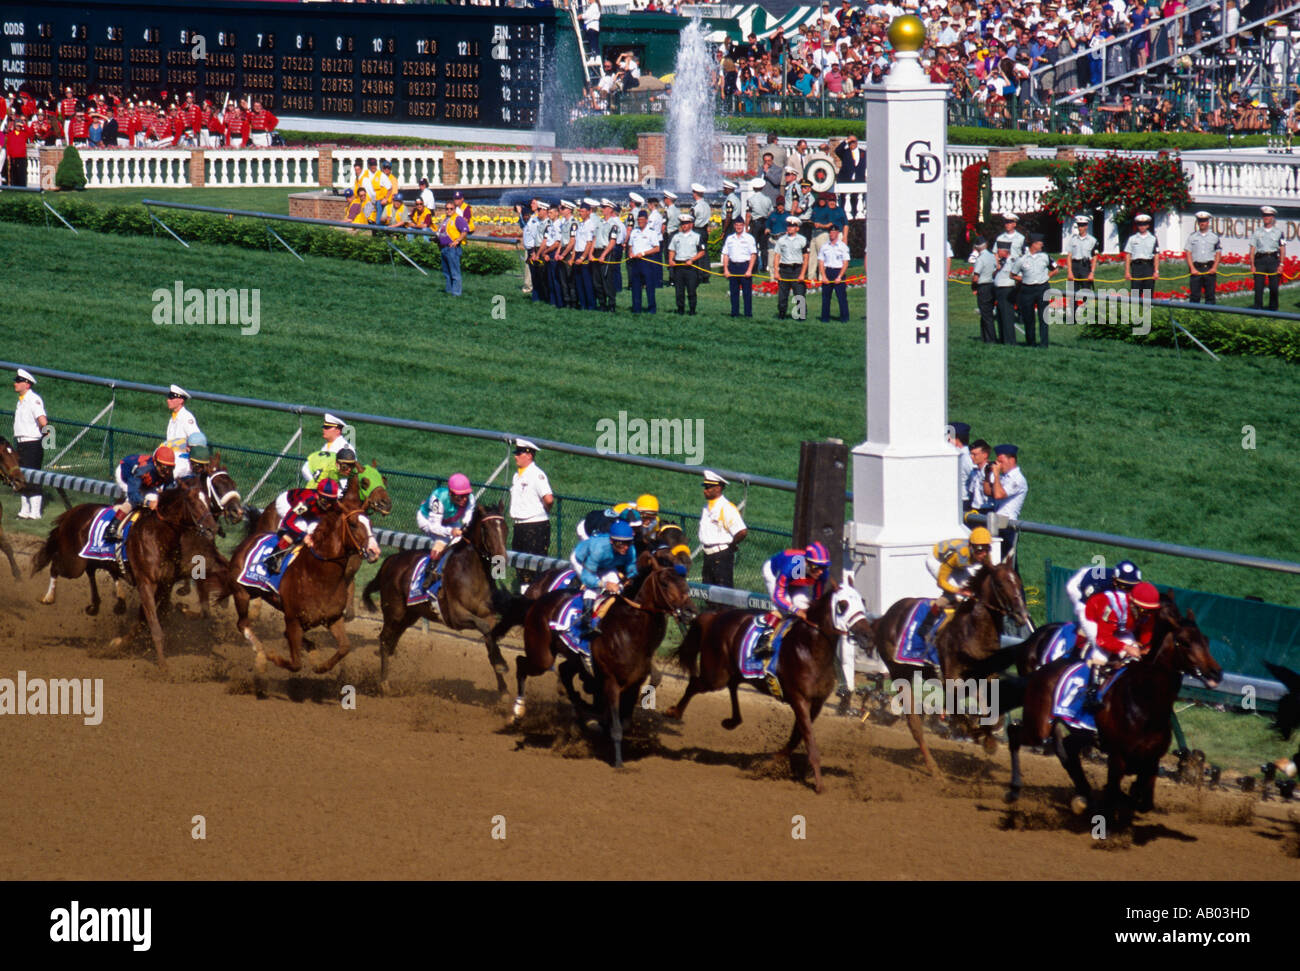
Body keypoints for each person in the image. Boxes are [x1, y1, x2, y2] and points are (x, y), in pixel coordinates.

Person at [1078, 579, 1161, 711]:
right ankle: (1091, 695)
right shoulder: (1113, 607)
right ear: (1133, 604)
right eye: (1144, 610)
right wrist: (1126, 647)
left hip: (1121, 625)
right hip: (1094, 616)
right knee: (1101, 655)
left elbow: (1146, 635)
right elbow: (1103, 638)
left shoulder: (1147, 612)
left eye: (1150, 611)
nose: (1147, 614)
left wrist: (1145, 648)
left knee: (1135, 657)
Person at [916, 527, 994, 644]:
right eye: (979, 549)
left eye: (986, 548)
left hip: (958, 565)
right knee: (951, 594)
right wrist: (958, 590)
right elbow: (941, 582)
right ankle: (925, 627)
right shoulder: (959, 556)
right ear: (970, 547)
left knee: (973, 590)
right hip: (938, 561)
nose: (983, 554)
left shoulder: (985, 555)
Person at [570, 518, 638, 633]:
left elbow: (631, 568)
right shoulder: (599, 550)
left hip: (606, 563)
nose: (626, 547)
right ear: (612, 541)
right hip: (582, 560)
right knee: (594, 587)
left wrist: (630, 578)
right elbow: (587, 577)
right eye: (621, 543)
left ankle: (603, 617)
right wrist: (604, 584)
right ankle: (586, 619)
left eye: (628, 542)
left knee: (617, 585)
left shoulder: (630, 549)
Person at [265, 479, 343, 574]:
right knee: (301, 525)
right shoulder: (307, 501)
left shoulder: (334, 505)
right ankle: (273, 557)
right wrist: (303, 535)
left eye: (332, 500)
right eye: (325, 500)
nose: (329, 504)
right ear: (317, 496)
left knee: (315, 529)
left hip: (311, 512)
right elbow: (288, 521)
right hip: (287, 502)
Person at [416, 472, 476, 593]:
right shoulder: (438, 498)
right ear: (450, 493)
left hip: (450, 521)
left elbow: (467, 519)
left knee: (465, 541)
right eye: (460, 496)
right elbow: (435, 527)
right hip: (428, 521)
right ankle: (428, 575)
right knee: (442, 541)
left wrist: (464, 529)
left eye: (466, 495)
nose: (464, 499)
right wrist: (451, 531)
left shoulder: (470, 499)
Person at [1065, 558, 1142, 652]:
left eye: (1132, 587)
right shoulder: (1099, 587)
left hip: (1099, 577)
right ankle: (1075, 651)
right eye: (1123, 587)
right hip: (1082, 589)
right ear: (1114, 582)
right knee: (1090, 626)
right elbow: (1087, 609)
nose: (1127, 591)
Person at [106, 446, 177, 543]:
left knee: (156, 498)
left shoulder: (167, 471)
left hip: (145, 480)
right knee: (133, 502)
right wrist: (148, 503)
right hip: (127, 475)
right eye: (164, 468)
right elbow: (133, 494)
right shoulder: (143, 470)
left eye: (171, 468)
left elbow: (169, 492)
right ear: (156, 463)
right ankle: (111, 528)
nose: (168, 471)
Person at [509, 439, 554, 591]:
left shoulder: (537, 475)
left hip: (535, 525)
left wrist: (544, 511)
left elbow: (548, 498)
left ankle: (535, 598)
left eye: (519, 453)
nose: (516, 456)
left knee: (535, 567)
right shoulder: (517, 476)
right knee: (520, 565)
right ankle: (523, 596)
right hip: (520, 524)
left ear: (529, 455)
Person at [12, 368, 50, 519]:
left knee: (33, 477)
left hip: (32, 443)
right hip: (21, 443)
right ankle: (24, 510)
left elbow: (43, 421)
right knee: (22, 476)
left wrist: (48, 441)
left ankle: (35, 513)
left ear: (27, 384)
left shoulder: (34, 399)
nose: (15, 383)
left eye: (18, 381)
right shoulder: (21, 401)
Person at [698, 469, 747, 588]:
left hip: (721, 555)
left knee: (723, 594)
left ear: (718, 488)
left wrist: (731, 545)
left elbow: (742, 531)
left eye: (709, 487)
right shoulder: (707, 507)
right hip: (708, 555)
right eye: (705, 486)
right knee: (707, 593)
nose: (705, 490)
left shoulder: (726, 508)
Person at [984, 443, 1027, 559]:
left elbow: (998, 495)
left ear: (1012, 460)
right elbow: (988, 492)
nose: (999, 465)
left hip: (1008, 525)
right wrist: (987, 475)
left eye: (1001, 462)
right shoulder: (1004, 477)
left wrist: (996, 475)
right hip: (997, 522)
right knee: (995, 560)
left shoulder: (1018, 479)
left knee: (1007, 563)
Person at [1013, 233, 1052, 347]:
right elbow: (1013, 274)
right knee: (1029, 317)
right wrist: (1023, 278)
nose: (1042, 245)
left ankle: (1044, 343)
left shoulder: (1045, 256)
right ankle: (1030, 343)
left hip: (1042, 288)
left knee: (1043, 317)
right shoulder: (1022, 259)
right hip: (1027, 289)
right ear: (1033, 244)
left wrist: (1046, 277)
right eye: (1040, 243)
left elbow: (1055, 269)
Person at [667, 211, 705, 315]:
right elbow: (672, 250)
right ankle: (680, 310)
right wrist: (671, 260)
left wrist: (692, 259)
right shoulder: (676, 237)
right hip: (678, 266)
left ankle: (692, 310)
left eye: (686, 223)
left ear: (691, 224)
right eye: (682, 224)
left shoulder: (697, 236)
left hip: (690, 266)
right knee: (679, 291)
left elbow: (702, 252)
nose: (684, 226)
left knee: (691, 290)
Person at [1249, 205, 1285, 311]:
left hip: (1273, 260)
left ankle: (1273, 310)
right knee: (1258, 287)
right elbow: (1252, 249)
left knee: (1274, 287)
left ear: (1273, 217)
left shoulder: (1278, 232)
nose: (1266, 217)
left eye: (1268, 215)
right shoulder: (1257, 232)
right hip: (1260, 260)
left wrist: (1281, 264)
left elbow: (1282, 249)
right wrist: (1252, 265)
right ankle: (1257, 309)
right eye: (1264, 215)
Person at [721, 216, 758, 318]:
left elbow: (753, 255)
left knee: (747, 293)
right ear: (734, 226)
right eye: (736, 225)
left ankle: (748, 314)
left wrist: (750, 270)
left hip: (745, 266)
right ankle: (734, 313)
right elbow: (725, 254)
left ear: (744, 226)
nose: (738, 227)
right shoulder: (729, 238)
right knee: (734, 292)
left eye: (740, 225)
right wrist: (725, 269)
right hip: (733, 266)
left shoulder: (749, 238)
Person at [774, 216, 809, 319]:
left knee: (799, 294)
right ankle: (781, 314)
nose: (790, 227)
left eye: (793, 226)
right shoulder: (781, 240)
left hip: (797, 269)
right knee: (782, 296)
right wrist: (776, 271)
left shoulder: (802, 240)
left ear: (797, 228)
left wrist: (803, 273)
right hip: (784, 269)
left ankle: (802, 315)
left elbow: (806, 258)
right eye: (789, 225)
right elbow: (777, 256)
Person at [626, 209, 661, 314]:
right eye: (638, 219)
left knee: (649, 286)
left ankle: (651, 309)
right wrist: (630, 253)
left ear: (646, 220)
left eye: (642, 219)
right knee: (636, 286)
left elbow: (657, 248)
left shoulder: (651, 232)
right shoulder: (634, 232)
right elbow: (630, 246)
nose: (640, 221)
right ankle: (636, 308)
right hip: (635, 262)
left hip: (647, 262)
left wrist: (644, 253)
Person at [301, 414, 351, 482]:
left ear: (338, 430)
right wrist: (315, 483)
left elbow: (347, 473)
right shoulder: (325, 447)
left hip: (339, 490)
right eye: (324, 427)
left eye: (327, 427)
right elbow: (306, 468)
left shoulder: (346, 448)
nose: (324, 429)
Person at [1185, 210, 1220, 304]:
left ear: (1208, 222)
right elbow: (1188, 252)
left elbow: (1218, 253)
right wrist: (1192, 268)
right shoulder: (1192, 237)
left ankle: (1209, 316)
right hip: (1196, 268)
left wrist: (1214, 268)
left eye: (1204, 221)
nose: (1202, 223)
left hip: (1209, 268)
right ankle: (1193, 316)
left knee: (1210, 295)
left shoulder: (1214, 237)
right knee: (1195, 296)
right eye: (1200, 221)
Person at [818, 224, 851, 322]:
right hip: (828, 271)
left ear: (837, 233)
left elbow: (845, 263)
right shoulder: (824, 246)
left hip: (838, 271)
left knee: (841, 297)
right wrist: (823, 276)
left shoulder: (843, 246)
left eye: (833, 232)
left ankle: (844, 318)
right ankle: (825, 318)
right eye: (830, 232)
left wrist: (840, 276)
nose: (831, 234)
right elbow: (821, 262)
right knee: (825, 298)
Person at [969, 237, 998, 343]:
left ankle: (991, 339)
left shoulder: (980, 259)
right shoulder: (992, 256)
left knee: (986, 315)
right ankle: (985, 336)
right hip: (992, 285)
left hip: (983, 286)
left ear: (976, 247)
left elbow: (976, 276)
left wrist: (973, 287)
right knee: (988, 312)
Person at [438, 200, 470, 297]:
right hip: (444, 248)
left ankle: (456, 293)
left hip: (452, 249)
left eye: (451, 209)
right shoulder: (445, 219)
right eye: (447, 209)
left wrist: (457, 240)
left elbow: (465, 230)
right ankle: (448, 291)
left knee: (455, 273)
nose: (449, 211)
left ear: (455, 209)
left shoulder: (458, 219)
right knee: (446, 272)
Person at [1123, 213, 1158, 297]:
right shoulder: (1132, 238)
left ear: (1148, 225)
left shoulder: (1153, 239)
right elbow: (1128, 255)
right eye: (1140, 224)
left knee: (1148, 290)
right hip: (1136, 267)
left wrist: (1156, 271)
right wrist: (1127, 271)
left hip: (1148, 266)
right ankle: (1135, 308)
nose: (1142, 226)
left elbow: (1156, 255)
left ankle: (1147, 308)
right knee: (1135, 289)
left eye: (1144, 224)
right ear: (1137, 225)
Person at [573, 198, 598, 311]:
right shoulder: (580, 224)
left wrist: (583, 257)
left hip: (584, 254)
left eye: (582, 211)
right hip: (578, 253)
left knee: (587, 281)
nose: (580, 213)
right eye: (580, 211)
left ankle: (591, 305)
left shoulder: (589, 225)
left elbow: (589, 242)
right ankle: (583, 304)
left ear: (588, 212)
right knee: (579, 281)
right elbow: (576, 242)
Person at [1065, 215, 1098, 301]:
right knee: (1072, 293)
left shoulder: (1092, 240)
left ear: (1086, 226)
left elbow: (1094, 258)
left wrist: (1092, 272)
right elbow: (1069, 256)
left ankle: (1087, 312)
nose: (1080, 227)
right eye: (1079, 225)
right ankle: (1073, 313)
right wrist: (1069, 272)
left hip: (1085, 266)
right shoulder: (1073, 240)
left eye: (1082, 225)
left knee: (1086, 292)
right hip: (1074, 266)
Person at [992, 240, 1018, 345]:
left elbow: (1017, 275)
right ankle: (1002, 338)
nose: (997, 253)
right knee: (1000, 315)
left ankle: (1010, 341)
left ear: (1005, 251)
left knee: (1007, 316)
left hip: (1007, 289)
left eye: (999, 251)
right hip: (998, 290)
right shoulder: (1001, 261)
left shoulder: (1012, 261)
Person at [745, 178, 773, 272]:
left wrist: (746, 227)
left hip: (755, 223)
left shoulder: (751, 199)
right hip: (765, 222)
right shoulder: (768, 199)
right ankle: (764, 266)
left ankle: (755, 266)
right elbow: (770, 213)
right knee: (764, 246)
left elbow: (748, 214)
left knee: (754, 245)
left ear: (753, 188)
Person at [690, 183, 711, 250]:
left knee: (697, 252)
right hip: (704, 231)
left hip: (697, 230)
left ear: (695, 193)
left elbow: (691, 220)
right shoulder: (706, 205)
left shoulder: (695, 206)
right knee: (704, 251)